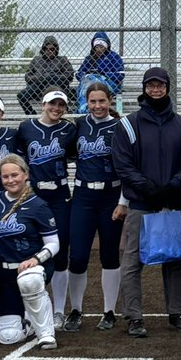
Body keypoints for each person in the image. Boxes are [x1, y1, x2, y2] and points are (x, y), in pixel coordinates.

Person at [111, 67, 181, 338]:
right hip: (141, 203)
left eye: (160, 85)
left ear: (168, 87)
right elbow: (122, 164)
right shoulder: (128, 124)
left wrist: (173, 186)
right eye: (151, 85)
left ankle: (177, 312)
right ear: (144, 88)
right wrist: (146, 187)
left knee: (177, 259)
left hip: (173, 203)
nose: (156, 89)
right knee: (132, 261)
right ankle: (134, 317)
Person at [65, 82, 126, 332]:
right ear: (86, 102)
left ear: (111, 101)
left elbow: (128, 167)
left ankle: (109, 310)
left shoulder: (121, 127)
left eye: (102, 101)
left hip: (111, 195)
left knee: (109, 255)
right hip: (83, 195)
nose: (98, 106)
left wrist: (124, 201)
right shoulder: (78, 125)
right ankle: (76, 309)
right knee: (78, 256)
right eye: (93, 101)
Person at [0, 154, 60, 349]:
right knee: (8, 337)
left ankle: (46, 333)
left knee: (29, 280)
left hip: (32, 268)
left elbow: (53, 243)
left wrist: (36, 259)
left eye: (15, 175)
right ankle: (25, 322)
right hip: (5, 272)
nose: (10, 180)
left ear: (26, 174)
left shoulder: (38, 205)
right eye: (5, 177)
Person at [16, 90, 76, 323]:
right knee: (29, 247)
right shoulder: (26, 128)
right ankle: (29, 308)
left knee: (60, 250)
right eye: (53, 103)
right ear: (43, 104)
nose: (57, 108)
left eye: (61, 104)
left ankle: (59, 310)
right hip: (33, 193)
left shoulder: (69, 129)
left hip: (60, 193)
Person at [18, 35, 75, 115]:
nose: (49, 51)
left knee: (53, 79)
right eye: (46, 49)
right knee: (21, 95)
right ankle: (32, 115)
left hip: (57, 86)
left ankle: (64, 113)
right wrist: (41, 78)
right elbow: (28, 76)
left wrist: (53, 77)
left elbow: (69, 75)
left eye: (52, 49)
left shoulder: (62, 60)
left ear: (56, 49)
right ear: (43, 49)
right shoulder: (36, 60)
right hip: (39, 86)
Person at [75, 31, 126, 100]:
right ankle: (84, 107)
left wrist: (104, 74)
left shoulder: (114, 56)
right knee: (89, 82)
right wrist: (86, 75)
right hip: (89, 82)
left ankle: (85, 107)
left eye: (101, 47)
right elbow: (78, 73)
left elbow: (120, 74)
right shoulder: (90, 58)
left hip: (107, 83)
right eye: (97, 47)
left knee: (93, 84)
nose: (99, 50)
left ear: (106, 47)